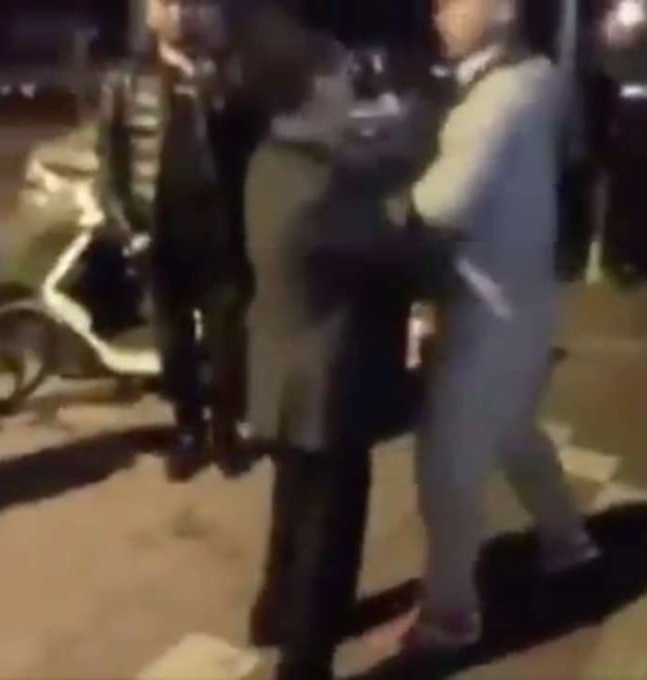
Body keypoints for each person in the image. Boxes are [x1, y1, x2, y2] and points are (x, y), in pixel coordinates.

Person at [238, 29, 443, 678]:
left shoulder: (274, 157)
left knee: (292, 503)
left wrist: (411, 139)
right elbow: (401, 255)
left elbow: (366, 166)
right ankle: (305, 656)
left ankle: (273, 611)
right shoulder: (319, 192)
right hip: (328, 379)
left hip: (281, 370)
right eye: (340, 79)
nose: (352, 89)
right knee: (331, 524)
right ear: (314, 91)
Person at [398, 0, 600, 651]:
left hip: (484, 311)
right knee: (514, 431)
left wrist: (368, 193)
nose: (438, 11)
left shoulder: (495, 102)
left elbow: (436, 208)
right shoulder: (535, 77)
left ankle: (450, 612)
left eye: (457, 0)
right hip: (524, 299)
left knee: (447, 467)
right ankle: (567, 540)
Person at [95, 0, 265, 478]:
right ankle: (188, 431)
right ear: (149, 16)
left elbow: (252, 153)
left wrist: (212, 85)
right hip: (160, 238)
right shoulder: (124, 81)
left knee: (228, 343)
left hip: (220, 234)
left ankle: (226, 431)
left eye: (187, 4)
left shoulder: (229, 77)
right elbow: (110, 168)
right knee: (174, 347)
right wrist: (131, 231)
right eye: (165, 4)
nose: (178, 13)